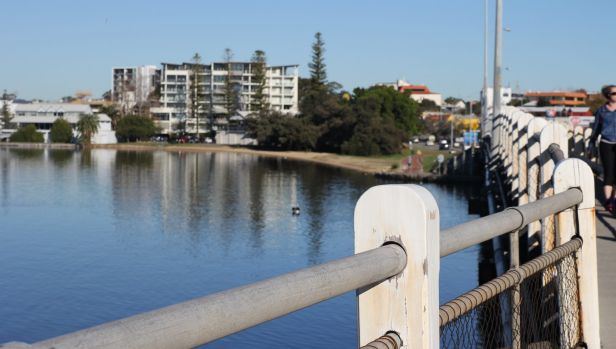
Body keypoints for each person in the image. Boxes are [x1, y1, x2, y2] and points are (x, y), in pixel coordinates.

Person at [589, 84, 616, 213]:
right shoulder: (602, 110)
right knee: (609, 172)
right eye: (614, 93)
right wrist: (592, 143)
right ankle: (608, 202)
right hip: (606, 143)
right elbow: (596, 129)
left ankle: (614, 198)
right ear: (608, 95)